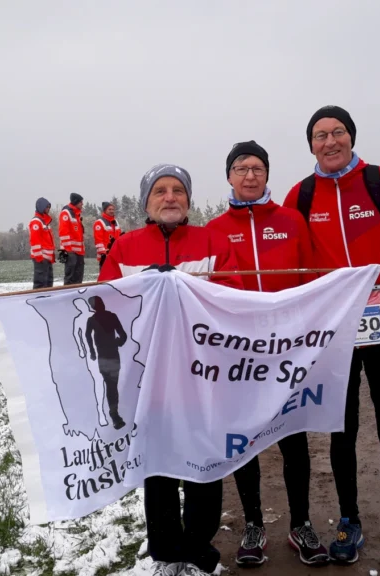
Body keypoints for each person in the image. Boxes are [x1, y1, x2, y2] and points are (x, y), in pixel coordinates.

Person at [282, 105, 380, 575]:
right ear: (310, 145)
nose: (330, 141)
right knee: (341, 432)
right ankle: (349, 522)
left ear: (351, 136)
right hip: (335, 331)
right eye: (320, 135)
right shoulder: (301, 195)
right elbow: (290, 265)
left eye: (338, 132)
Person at [98, 163, 241, 576]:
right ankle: (165, 553)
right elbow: (104, 301)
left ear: (188, 200)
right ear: (147, 202)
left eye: (178, 190)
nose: (170, 197)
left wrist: (186, 286)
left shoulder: (211, 241)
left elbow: (235, 297)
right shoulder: (125, 248)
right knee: (157, 468)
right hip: (150, 383)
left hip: (201, 378)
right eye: (160, 190)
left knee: (203, 465)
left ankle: (197, 552)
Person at [205, 141, 328, 567]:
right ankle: (254, 525)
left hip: (287, 350)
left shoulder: (292, 221)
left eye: (257, 168)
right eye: (241, 168)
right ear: (229, 176)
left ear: (267, 174)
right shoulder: (214, 229)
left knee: (293, 438)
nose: (250, 175)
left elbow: (313, 278)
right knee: (245, 441)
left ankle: (301, 523)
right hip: (241, 354)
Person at [84, 294, 127, 430]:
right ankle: (114, 414)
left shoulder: (93, 320)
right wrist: (116, 343)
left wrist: (92, 351)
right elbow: (123, 336)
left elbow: (87, 336)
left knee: (111, 385)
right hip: (111, 355)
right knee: (112, 386)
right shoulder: (110, 317)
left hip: (105, 356)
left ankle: (114, 414)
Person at [58, 193, 86, 285]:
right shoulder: (66, 213)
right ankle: (68, 293)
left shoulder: (77, 214)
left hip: (78, 252)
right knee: (70, 277)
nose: (82, 204)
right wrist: (68, 250)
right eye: (81, 202)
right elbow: (63, 233)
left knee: (78, 277)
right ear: (76, 202)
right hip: (70, 251)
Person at [29, 197, 55, 288]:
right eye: (46, 207)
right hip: (41, 258)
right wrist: (39, 257)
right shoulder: (36, 222)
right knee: (40, 284)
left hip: (47, 259)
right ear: (41, 207)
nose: (48, 209)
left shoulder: (45, 222)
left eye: (49, 207)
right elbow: (35, 241)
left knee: (48, 283)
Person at [93, 201, 124, 270]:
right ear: (105, 210)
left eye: (113, 209)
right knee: (105, 275)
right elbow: (98, 240)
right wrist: (103, 254)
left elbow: (118, 238)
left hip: (115, 256)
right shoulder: (99, 223)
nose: (112, 211)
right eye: (109, 209)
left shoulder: (116, 222)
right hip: (105, 256)